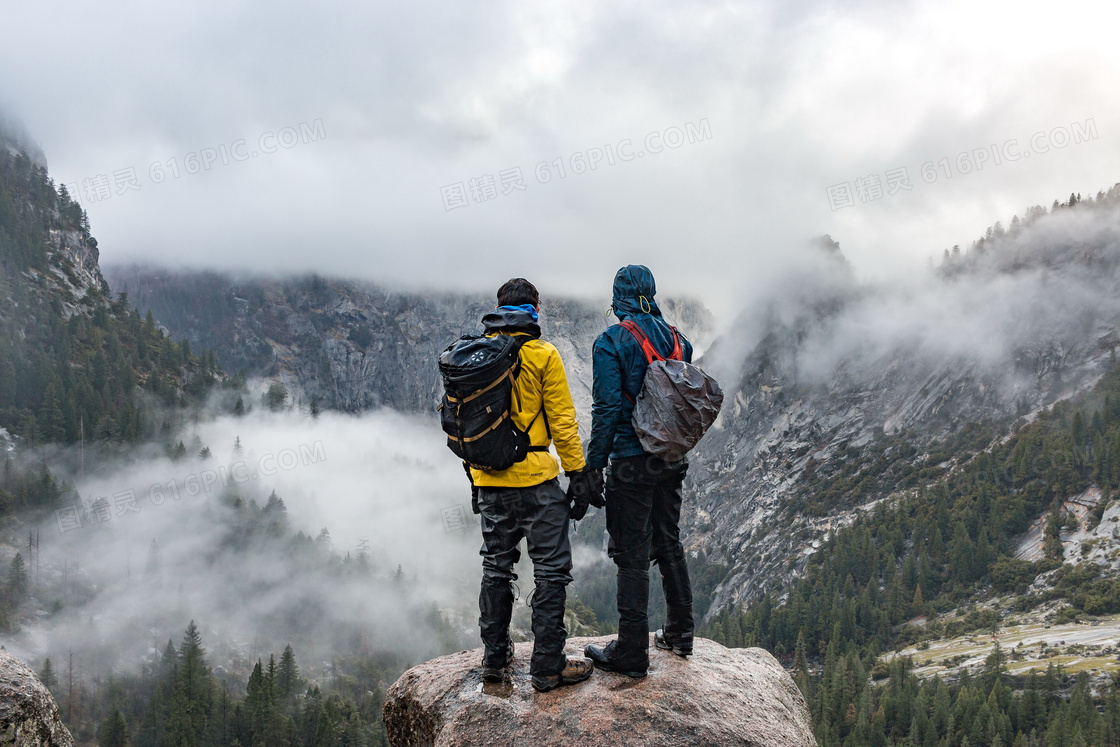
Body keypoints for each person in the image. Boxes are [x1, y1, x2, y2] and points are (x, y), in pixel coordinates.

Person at [469, 278, 600, 692]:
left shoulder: (475, 357)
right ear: (534, 311)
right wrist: (578, 474)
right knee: (551, 573)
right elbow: (562, 422)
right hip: (538, 483)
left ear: (499, 310)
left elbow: (466, 428)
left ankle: (494, 661)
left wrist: (477, 479)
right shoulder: (543, 354)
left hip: (489, 482)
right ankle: (547, 666)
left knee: (495, 568)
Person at [583, 265, 695, 678]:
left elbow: (608, 409)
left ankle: (632, 652)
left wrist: (592, 466)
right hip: (671, 458)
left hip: (631, 462)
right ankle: (681, 633)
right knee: (669, 541)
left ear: (619, 298)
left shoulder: (611, 342)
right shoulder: (680, 341)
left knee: (631, 555)